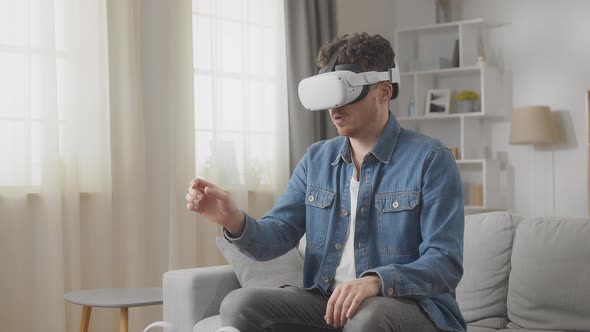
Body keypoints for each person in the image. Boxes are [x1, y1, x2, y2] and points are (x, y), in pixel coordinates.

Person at [186, 33, 466, 332]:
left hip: (408, 307)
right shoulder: (317, 159)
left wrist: (376, 281)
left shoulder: (430, 158)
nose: (334, 108)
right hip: (326, 303)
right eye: (328, 95)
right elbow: (276, 238)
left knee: (368, 316)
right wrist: (233, 219)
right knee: (238, 305)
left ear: (384, 92)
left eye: (346, 92)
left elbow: (445, 262)